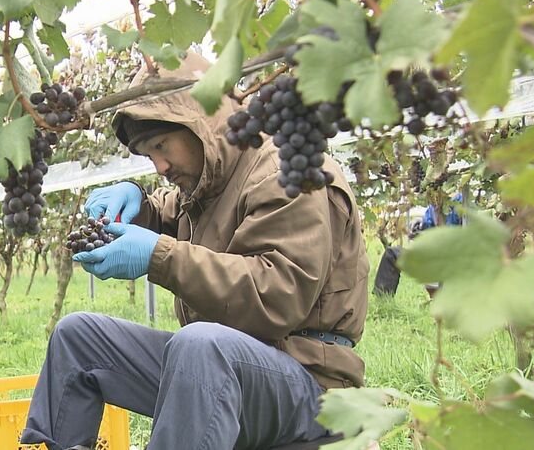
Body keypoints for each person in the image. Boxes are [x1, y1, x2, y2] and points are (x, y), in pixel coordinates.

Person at [20, 54, 369, 450]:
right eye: (150, 155)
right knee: (78, 337)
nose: (160, 166)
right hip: (225, 369)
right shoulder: (208, 182)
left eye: (162, 146)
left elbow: (279, 293)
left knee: (200, 345)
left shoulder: (288, 171)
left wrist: (158, 256)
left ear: (201, 122)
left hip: (311, 384)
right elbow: (169, 214)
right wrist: (137, 204)